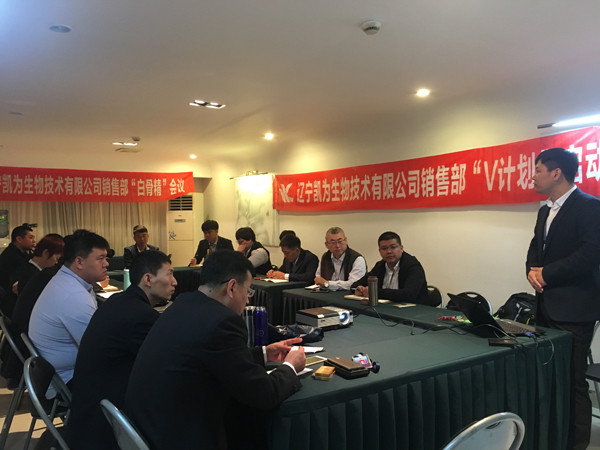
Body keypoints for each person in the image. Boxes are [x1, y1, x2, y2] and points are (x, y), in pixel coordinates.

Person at [124, 250, 305, 450]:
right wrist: (291, 366)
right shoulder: (223, 322)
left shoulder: (183, 303)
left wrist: (264, 353)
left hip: (146, 428)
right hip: (178, 438)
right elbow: (263, 394)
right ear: (232, 287)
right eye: (248, 291)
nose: (247, 300)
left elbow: (215, 356)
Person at [526, 147, 600, 450]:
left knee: (573, 381)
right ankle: (552, 436)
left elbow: (591, 252)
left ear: (556, 173)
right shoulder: (545, 210)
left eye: (538, 170)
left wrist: (547, 273)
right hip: (546, 305)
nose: (533, 177)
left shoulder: (590, 206)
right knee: (549, 378)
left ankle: (576, 444)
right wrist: (532, 271)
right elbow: (536, 248)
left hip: (575, 310)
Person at [66, 251, 176, 450]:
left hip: (87, 412)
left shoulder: (118, 300)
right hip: (105, 426)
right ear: (148, 279)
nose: (174, 282)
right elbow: (168, 363)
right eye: (169, 274)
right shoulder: (141, 315)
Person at [29, 229, 110, 396]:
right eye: (100, 258)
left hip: (55, 374)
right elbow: (100, 352)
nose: (106, 264)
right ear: (79, 262)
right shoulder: (73, 295)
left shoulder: (65, 280)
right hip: (66, 382)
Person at [352, 231, 429, 304]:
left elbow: (408, 294)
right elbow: (355, 285)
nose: (388, 251)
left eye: (393, 247)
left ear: (401, 248)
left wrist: (374, 292)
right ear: (379, 251)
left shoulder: (413, 266)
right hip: (385, 308)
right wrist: (359, 288)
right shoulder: (380, 266)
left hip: (414, 309)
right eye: (384, 248)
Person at [314, 227, 366, 291]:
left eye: (340, 241)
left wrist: (327, 284)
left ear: (346, 241)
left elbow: (353, 284)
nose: (337, 246)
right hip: (327, 294)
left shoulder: (357, 259)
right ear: (326, 245)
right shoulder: (325, 257)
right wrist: (323, 283)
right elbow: (318, 279)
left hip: (348, 295)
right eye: (333, 243)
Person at [0, 224, 35, 317]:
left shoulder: (20, 254)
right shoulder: (12, 257)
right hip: (10, 303)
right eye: (31, 237)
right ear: (19, 239)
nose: (34, 241)